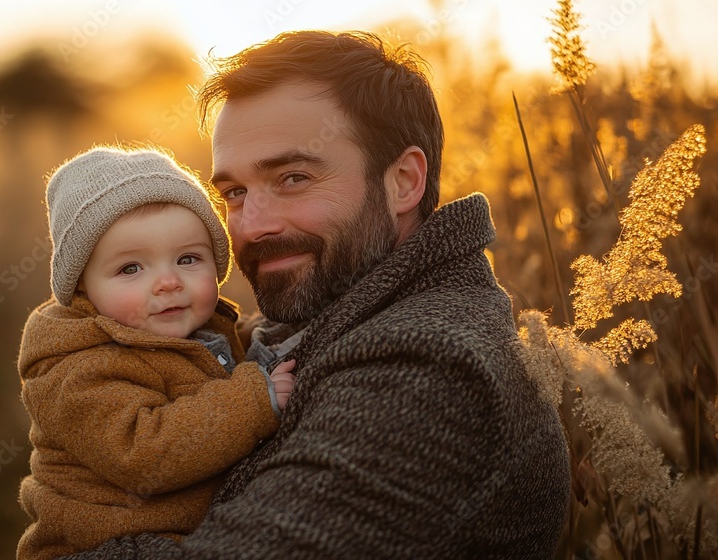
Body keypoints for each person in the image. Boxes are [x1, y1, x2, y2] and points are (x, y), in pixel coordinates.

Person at [68, 31, 571, 559]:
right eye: (235, 192)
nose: (252, 225)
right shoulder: (324, 315)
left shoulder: (430, 370)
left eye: (292, 178)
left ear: (403, 181)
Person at [16, 146, 297, 558]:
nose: (168, 282)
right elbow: (143, 454)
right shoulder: (78, 367)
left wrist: (267, 338)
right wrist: (254, 399)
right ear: (83, 287)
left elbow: (216, 354)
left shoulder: (187, 326)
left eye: (188, 259)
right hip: (103, 545)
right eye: (131, 268)